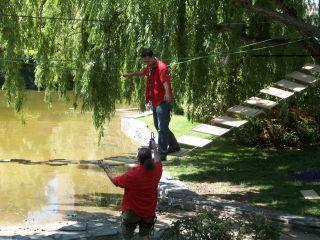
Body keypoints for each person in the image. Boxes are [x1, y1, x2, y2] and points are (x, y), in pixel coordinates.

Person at [122, 48, 180, 161]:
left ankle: (162, 154)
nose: (146, 63)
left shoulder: (161, 67)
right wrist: (131, 74)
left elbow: (165, 81)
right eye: (145, 61)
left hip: (163, 101)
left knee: (162, 128)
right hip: (155, 101)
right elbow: (143, 72)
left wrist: (168, 94)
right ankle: (174, 145)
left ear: (152, 57)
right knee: (159, 126)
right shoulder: (150, 66)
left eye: (147, 61)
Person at [97, 139, 162, 240]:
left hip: (132, 212)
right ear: (150, 158)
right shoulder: (157, 170)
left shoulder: (133, 174)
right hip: (149, 211)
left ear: (138, 160)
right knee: (144, 236)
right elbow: (158, 160)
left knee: (127, 237)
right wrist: (154, 148)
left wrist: (105, 168)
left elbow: (115, 181)